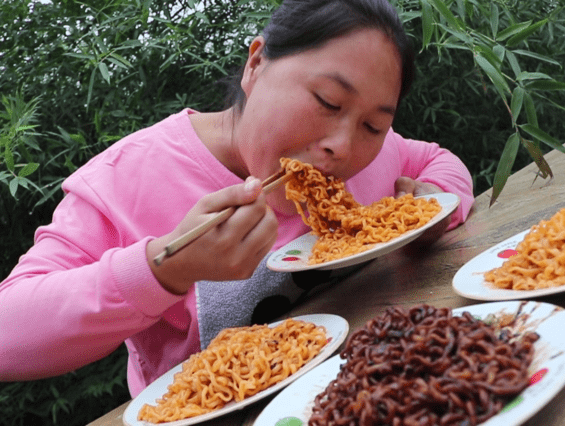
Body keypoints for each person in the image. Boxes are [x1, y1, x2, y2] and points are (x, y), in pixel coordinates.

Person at [0, 0, 474, 397]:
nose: (343, 147)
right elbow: (9, 332)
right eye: (328, 101)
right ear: (256, 64)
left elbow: (436, 161)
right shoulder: (125, 181)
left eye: (373, 125)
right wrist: (163, 270)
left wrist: (432, 205)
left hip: (384, 389)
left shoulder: (376, 157)